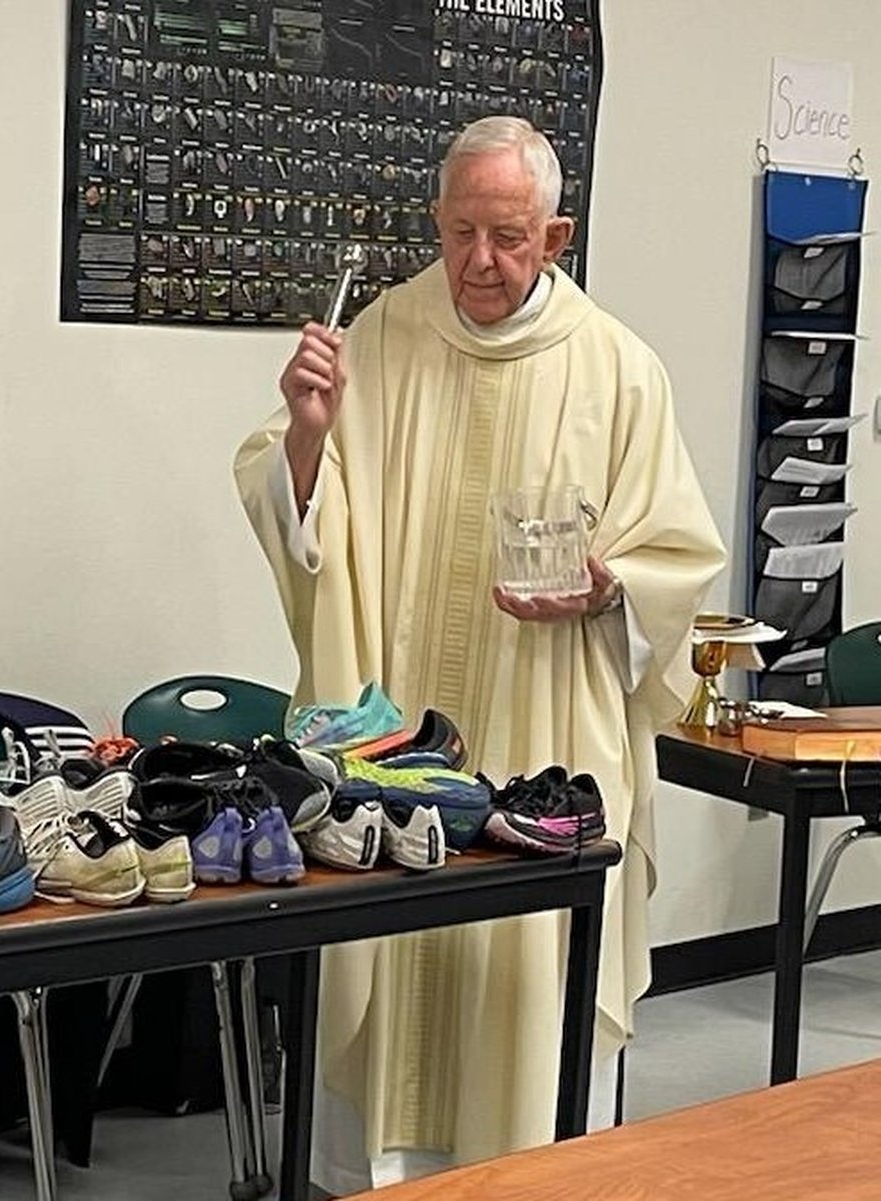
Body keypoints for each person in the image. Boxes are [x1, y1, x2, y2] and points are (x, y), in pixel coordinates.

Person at [233, 115, 726, 1190]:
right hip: (397, 741)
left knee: (529, 994)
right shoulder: (381, 337)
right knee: (389, 982)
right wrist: (307, 434)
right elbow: (307, 517)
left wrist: (609, 587)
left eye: (507, 236)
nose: (479, 261)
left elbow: (678, 557)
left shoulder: (618, 370)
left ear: (555, 236)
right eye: (460, 233)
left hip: (547, 725)